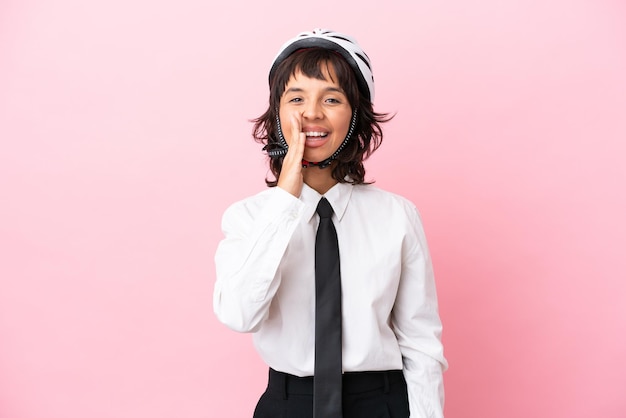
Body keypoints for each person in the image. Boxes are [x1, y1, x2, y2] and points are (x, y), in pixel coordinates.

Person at [213, 28, 447, 418]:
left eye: (332, 98)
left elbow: (421, 344)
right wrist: (285, 202)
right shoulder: (247, 217)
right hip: (288, 405)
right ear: (277, 112)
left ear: (356, 116)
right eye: (296, 98)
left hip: (381, 404)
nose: (312, 113)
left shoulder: (397, 216)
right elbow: (239, 315)